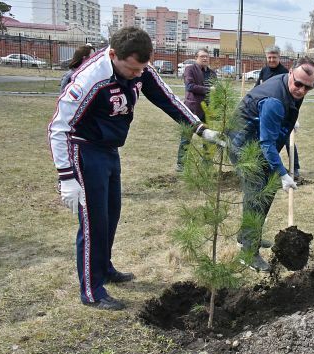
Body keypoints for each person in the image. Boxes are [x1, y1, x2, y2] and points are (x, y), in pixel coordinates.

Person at [47, 27, 221, 311]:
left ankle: (104, 268)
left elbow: (167, 99)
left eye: (142, 68)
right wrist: (66, 177)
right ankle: (91, 290)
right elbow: (58, 127)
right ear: (113, 55)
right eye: (132, 68)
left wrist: (200, 129)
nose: (138, 74)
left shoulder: (140, 69)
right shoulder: (90, 79)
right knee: (93, 221)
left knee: (112, 213)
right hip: (84, 148)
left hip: (109, 149)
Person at [229, 57, 314, 272]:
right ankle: (247, 253)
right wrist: (283, 173)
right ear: (290, 75)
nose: (302, 90)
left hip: (259, 141)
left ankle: (248, 237)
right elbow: (267, 143)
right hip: (243, 145)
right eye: (298, 84)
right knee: (257, 195)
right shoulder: (274, 101)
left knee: (267, 190)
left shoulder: (291, 87)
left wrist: (289, 119)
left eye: (308, 87)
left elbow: (283, 116)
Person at [255, 46, 302, 182]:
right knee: (266, 141)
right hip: (267, 112)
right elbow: (258, 88)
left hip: (284, 114)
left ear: (279, 57)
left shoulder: (285, 73)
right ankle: (265, 166)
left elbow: (294, 95)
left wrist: (294, 119)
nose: (271, 60)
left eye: (274, 57)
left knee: (287, 141)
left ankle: (295, 168)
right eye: (269, 57)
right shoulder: (264, 71)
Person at [177, 47, 217, 171]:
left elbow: (216, 89)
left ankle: (207, 163)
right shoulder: (190, 69)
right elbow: (190, 86)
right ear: (196, 58)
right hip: (193, 109)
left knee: (208, 138)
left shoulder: (212, 73)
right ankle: (181, 164)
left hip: (207, 110)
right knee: (186, 137)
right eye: (202, 56)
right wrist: (208, 90)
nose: (205, 58)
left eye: (207, 56)